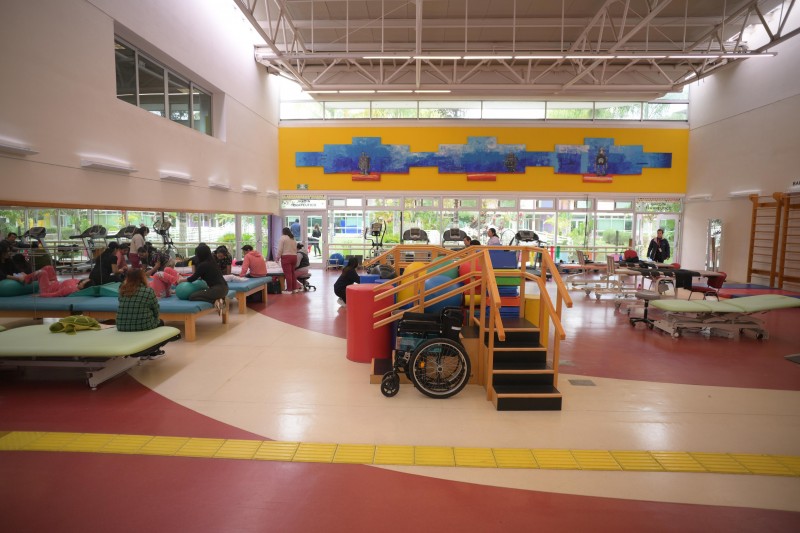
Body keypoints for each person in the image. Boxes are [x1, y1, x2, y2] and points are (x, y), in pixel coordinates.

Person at [179, 243, 229, 313]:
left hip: (217, 290)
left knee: (192, 297)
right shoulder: (212, 262)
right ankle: (220, 298)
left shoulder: (203, 265)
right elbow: (205, 275)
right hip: (225, 289)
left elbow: (192, 278)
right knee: (201, 293)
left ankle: (217, 301)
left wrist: (181, 280)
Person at [277, 227, 300, 293]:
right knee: (292, 273)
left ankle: (289, 289)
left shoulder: (283, 238)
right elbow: (296, 248)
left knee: (288, 274)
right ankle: (294, 288)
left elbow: (280, 249)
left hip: (286, 257)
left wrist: (278, 257)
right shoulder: (293, 238)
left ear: (283, 232)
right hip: (294, 257)